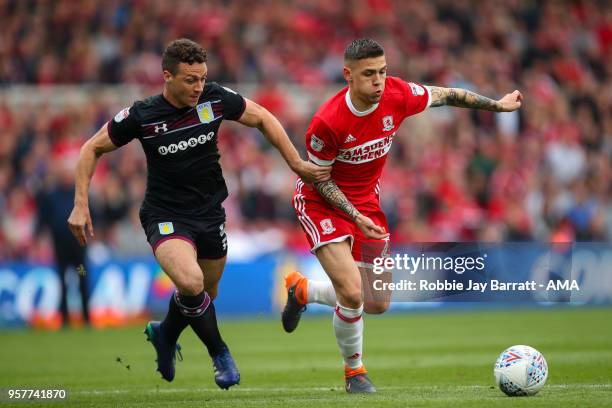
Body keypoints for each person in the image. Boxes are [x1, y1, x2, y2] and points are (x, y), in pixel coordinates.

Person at [67, 38, 329, 389]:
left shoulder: (215, 99)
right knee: (191, 284)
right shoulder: (142, 114)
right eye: (190, 79)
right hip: (164, 215)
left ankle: (165, 334)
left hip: (209, 213)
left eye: (202, 78)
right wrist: (81, 204)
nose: (198, 86)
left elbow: (263, 117)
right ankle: (220, 353)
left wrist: (296, 163)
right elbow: (91, 148)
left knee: (206, 292)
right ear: (167, 77)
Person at [282, 38, 523, 393]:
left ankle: (303, 290)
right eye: (368, 74)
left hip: (367, 205)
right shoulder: (327, 122)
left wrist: (498, 106)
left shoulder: (397, 93)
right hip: (322, 203)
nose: (378, 81)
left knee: (376, 302)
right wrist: (351, 213)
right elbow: (319, 181)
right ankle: (355, 373)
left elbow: (447, 95)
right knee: (351, 293)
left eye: (382, 71)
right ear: (348, 75)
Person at [36, 158, 90, 328]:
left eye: (69, 174)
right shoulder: (51, 195)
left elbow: (90, 214)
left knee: (82, 279)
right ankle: (65, 319)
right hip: (61, 249)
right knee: (63, 282)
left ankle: (86, 318)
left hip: (78, 249)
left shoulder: (79, 195)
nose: (67, 177)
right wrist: (38, 237)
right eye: (64, 174)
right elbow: (43, 217)